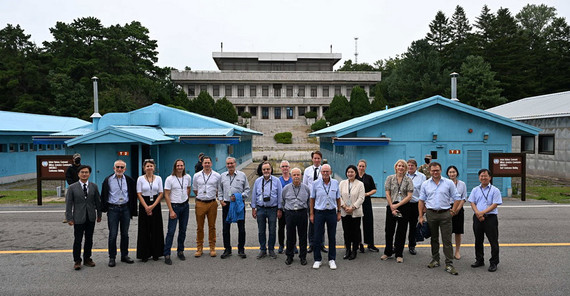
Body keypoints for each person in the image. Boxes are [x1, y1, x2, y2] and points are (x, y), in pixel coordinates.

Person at [418, 162, 461, 275]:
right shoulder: (426, 184)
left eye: (437, 170)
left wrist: (453, 211)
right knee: (434, 239)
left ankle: (449, 264)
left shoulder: (448, 183)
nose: (435, 172)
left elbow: (457, 197)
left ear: (440, 170)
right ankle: (435, 259)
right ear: (430, 171)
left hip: (445, 214)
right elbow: (421, 200)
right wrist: (421, 216)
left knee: (447, 240)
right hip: (431, 214)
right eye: (433, 171)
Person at [101, 160, 137, 267]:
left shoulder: (129, 180)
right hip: (113, 209)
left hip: (125, 209)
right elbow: (103, 195)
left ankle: (124, 255)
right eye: (117, 167)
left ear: (125, 169)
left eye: (122, 167)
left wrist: (133, 211)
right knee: (113, 234)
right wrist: (103, 209)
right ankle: (112, 257)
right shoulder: (108, 180)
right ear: (114, 168)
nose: (119, 169)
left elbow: (133, 196)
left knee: (125, 234)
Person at [66, 165, 101, 270]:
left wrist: (99, 215)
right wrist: (69, 218)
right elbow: (68, 204)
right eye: (82, 172)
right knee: (78, 239)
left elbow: (97, 202)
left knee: (89, 239)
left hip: (90, 217)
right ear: (78, 174)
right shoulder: (72, 187)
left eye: (86, 172)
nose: (84, 174)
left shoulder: (94, 186)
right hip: (78, 217)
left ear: (89, 174)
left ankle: (87, 258)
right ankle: (77, 260)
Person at [468, 169, 502, 272]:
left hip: (490, 218)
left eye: (485, 176)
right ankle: (479, 260)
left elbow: (495, 204)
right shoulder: (475, 190)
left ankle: (494, 262)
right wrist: (478, 213)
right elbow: (472, 202)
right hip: (477, 217)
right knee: (478, 240)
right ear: (479, 177)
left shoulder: (495, 190)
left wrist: (483, 213)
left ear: (490, 177)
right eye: (481, 176)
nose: (483, 178)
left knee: (493, 241)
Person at [381, 159, 413, 263]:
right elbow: (387, 193)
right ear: (396, 167)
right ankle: (388, 252)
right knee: (389, 230)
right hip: (391, 205)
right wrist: (392, 206)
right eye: (399, 166)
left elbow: (409, 196)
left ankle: (399, 254)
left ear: (405, 168)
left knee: (401, 231)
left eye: (403, 166)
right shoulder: (390, 178)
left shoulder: (408, 180)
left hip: (404, 207)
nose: (400, 168)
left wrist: (398, 205)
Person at [218, 157, 250, 259]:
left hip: (239, 204)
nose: (230, 165)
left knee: (241, 228)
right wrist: (221, 200)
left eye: (231, 163)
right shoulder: (222, 176)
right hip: (227, 205)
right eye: (228, 164)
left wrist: (240, 197)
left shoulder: (242, 175)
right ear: (226, 165)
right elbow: (219, 190)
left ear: (235, 164)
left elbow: (247, 189)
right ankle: (227, 249)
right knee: (226, 228)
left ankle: (241, 249)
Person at [310, 164, 341, 270]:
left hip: (331, 212)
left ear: (330, 172)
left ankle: (332, 259)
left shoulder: (335, 183)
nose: (325, 173)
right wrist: (311, 214)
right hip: (319, 212)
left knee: (332, 236)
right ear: (321, 172)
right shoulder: (315, 183)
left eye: (327, 171)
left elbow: (338, 198)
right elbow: (312, 199)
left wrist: (339, 212)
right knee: (317, 237)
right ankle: (317, 259)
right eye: (323, 171)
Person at [279, 167, 310, 265]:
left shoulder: (306, 188)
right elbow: (282, 201)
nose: (296, 177)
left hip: (302, 213)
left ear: (301, 176)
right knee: (290, 236)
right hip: (290, 213)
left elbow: (309, 201)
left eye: (298, 175)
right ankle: (289, 256)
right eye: (294, 175)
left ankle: (303, 257)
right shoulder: (286, 188)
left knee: (303, 236)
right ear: (291, 176)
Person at [252, 161, 283, 259]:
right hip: (260, 208)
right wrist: (254, 208)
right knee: (261, 230)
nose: (266, 171)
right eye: (264, 169)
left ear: (271, 170)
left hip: (272, 209)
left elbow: (280, 196)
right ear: (261, 170)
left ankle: (271, 249)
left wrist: (279, 209)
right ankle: (262, 249)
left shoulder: (276, 181)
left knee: (272, 230)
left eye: (268, 169)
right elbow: (254, 195)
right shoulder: (257, 181)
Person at [163, 159, 192, 265]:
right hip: (174, 206)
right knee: (171, 231)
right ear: (175, 167)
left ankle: (180, 251)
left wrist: (186, 198)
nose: (180, 167)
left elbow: (188, 188)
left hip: (185, 206)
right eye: (178, 165)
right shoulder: (169, 179)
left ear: (184, 166)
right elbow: (166, 194)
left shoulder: (187, 177)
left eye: (181, 165)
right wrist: (171, 210)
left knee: (183, 230)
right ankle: (167, 253)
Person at [136, 159, 164, 262]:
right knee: (144, 230)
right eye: (147, 166)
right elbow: (138, 193)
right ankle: (144, 254)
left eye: (151, 166)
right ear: (144, 168)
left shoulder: (159, 179)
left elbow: (161, 193)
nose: (149, 168)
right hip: (144, 203)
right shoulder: (140, 179)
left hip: (155, 203)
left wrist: (152, 206)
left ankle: (156, 253)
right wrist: (146, 207)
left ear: (154, 168)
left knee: (156, 229)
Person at [192, 156, 221, 257]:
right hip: (200, 203)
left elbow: (219, 189)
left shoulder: (217, 176)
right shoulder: (196, 176)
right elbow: (195, 189)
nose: (207, 164)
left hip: (212, 203)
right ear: (202, 164)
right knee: (200, 227)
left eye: (209, 163)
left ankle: (212, 247)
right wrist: (201, 197)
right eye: (205, 163)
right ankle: (199, 248)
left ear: (211, 164)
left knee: (212, 226)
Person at [303, 150, 327, 254]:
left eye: (318, 158)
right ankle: (311, 244)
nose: (316, 160)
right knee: (312, 222)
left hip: (321, 200)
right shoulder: (307, 170)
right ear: (312, 159)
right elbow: (304, 185)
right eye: (315, 158)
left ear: (321, 159)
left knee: (322, 223)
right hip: (311, 200)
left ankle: (321, 244)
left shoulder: (325, 170)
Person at [339, 165, 365, 261]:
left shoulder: (360, 184)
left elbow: (361, 198)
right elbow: (339, 196)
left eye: (352, 172)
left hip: (355, 212)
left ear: (355, 173)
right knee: (346, 232)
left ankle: (354, 250)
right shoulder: (342, 183)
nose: (350, 174)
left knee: (355, 232)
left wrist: (352, 207)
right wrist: (345, 206)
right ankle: (348, 250)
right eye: (348, 172)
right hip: (345, 211)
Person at [356, 159, 378, 253]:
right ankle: (358, 243)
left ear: (365, 167)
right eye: (360, 166)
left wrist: (367, 194)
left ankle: (370, 244)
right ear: (357, 166)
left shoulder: (369, 177)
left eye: (363, 166)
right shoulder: (354, 177)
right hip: (356, 202)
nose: (361, 168)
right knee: (356, 224)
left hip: (366, 202)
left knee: (368, 222)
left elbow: (374, 189)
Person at [446, 165, 467, 260]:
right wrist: (451, 209)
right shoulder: (445, 183)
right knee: (447, 231)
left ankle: (457, 251)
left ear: (457, 173)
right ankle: (448, 252)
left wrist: (458, 208)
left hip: (459, 208)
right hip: (447, 208)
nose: (452, 174)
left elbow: (464, 197)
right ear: (447, 174)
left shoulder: (462, 184)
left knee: (458, 231)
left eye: (453, 172)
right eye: (450, 172)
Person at [406, 159, 426, 255]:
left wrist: (424, 206)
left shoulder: (422, 177)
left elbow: (424, 192)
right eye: (408, 165)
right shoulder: (403, 174)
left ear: (416, 167)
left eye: (412, 165)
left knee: (413, 226)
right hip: (403, 204)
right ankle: (398, 245)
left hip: (415, 204)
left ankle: (412, 246)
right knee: (402, 226)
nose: (410, 167)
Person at [278, 160, 292, 254]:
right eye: (283, 166)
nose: (285, 168)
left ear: (289, 168)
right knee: (281, 228)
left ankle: (292, 245)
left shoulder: (293, 178)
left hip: (291, 208)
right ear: (280, 168)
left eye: (286, 166)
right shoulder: (278, 180)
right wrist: (279, 209)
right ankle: (281, 245)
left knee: (291, 228)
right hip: (283, 208)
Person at [64, 153, 82, 223]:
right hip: (71, 187)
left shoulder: (82, 167)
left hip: (81, 187)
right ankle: (67, 217)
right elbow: (68, 178)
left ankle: (80, 216)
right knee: (69, 203)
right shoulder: (70, 168)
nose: (78, 160)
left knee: (80, 203)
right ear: (73, 159)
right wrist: (73, 185)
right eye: (76, 159)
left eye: (79, 159)